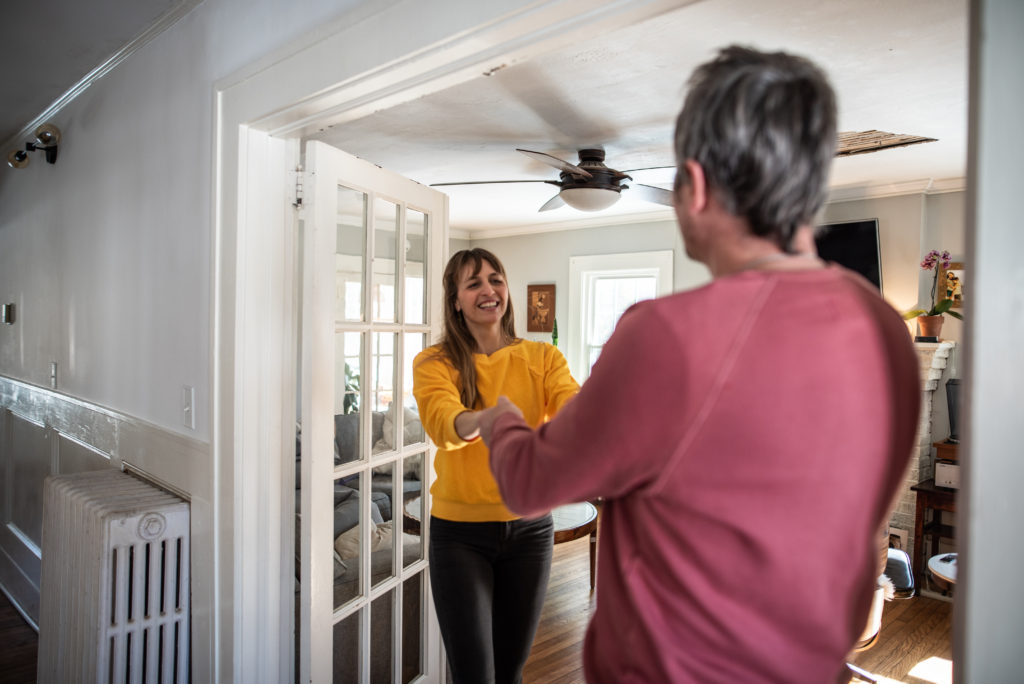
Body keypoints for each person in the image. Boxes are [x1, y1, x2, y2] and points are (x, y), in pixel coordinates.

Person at [478, 46, 921, 683]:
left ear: (698, 184)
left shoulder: (665, 335)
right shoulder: (886, 331)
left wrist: (504, 424)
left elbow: (529, 486)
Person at [412, 248, 579, 684]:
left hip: (531, 531)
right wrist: (481, 420)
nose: (488, 291)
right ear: (456, 300)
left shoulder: (544, 359)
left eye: (495, 279)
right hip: (460, 537)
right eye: (473, 284)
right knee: (474, 676)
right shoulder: (434, 362)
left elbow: (571, 405)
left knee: (509, 673)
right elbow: (441, 420)